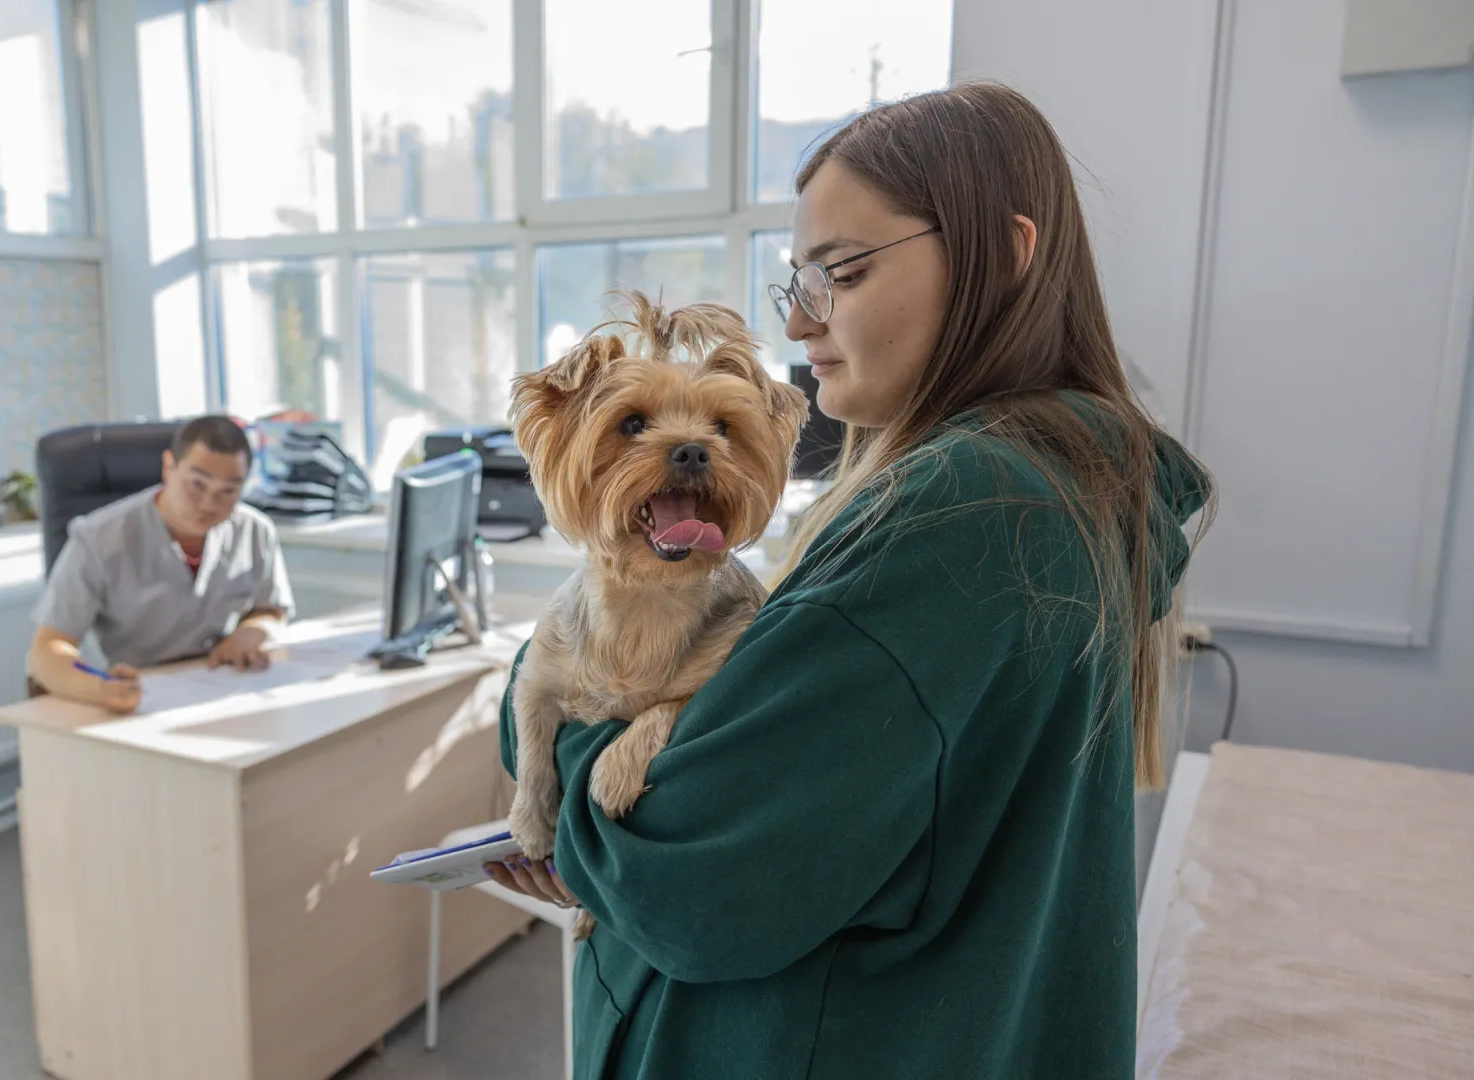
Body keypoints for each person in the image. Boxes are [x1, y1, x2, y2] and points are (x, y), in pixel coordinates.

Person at [485, 83, 1214, 1078]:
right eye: (799, 285)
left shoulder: (962, 515)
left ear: (1003, 254)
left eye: (848, 273)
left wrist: (548, 738)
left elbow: (686, 880)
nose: (801, 326)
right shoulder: (1069, 482)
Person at [28, 415, 295, 713]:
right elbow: (46, 651)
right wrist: (99, 688)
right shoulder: (98, 538)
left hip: (225, 693)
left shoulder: (255, 530)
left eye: (228, 491)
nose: (209, 504)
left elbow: (272, 610)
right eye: (197, 484)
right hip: (136, 696)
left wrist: (253, 632)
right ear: (168, 467)